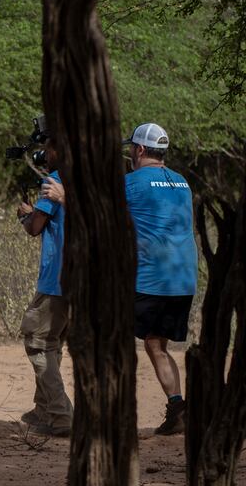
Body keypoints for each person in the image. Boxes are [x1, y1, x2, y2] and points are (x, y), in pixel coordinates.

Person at [123, 123, 197, 435]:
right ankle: (177, 407)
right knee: (157, 343)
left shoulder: (132, 183)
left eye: (131, 148)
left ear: (139, 150)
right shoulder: (182, 182)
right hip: (183, 278)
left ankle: (116, 410)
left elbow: (99, 214)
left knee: (122, 336)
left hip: (151, 278)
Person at [16, 138, 73, 438]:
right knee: (54, 342)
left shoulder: (56, 181)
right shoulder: (98, 181)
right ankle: (43, 409)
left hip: (56, 279)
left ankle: (61, 415)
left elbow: (35, 227)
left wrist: (26, 214)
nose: (44, 154)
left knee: (37, 342)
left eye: (49, 148)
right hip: (85, 281)